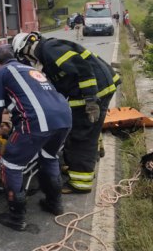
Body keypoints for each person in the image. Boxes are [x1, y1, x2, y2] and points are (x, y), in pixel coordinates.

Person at [12, 32, 120, 193]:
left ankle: (80, 182)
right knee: (89, 127)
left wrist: (91, 100)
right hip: (99, 87)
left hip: (95, 91)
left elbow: (83, 69)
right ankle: (91, 156)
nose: (28, 61)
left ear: (26, 48)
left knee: (80, 136)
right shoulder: (49, 52)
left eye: (24, 57)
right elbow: (63, 82)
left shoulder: (49, 49)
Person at [0, 45, 72, 231]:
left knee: (11, 164)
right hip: (64, 118)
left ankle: (16, 217)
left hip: (37, 122)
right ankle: (55, 203)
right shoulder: (32, 70)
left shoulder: (0, 74)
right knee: (49, 157)